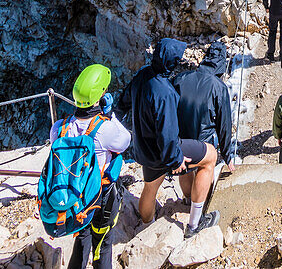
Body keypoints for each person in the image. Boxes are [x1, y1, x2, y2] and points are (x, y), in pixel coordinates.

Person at [116, 39, 219, 238]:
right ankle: (195, 224)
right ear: (171, 62)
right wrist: (176, 160)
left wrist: (123, 121)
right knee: (210, 157)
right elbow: (168, 132)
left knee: (150, 187)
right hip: (164, 152)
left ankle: (147, 227)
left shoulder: (143, 75)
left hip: (144, 148)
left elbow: (124, 103)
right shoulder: (165, 92)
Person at [45, 64, 130, 269]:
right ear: (99, 96)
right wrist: (110, 115)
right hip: (101, 195)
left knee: (81, 237)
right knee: (103, 243)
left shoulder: (60, 128)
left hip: (75, 196)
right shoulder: (105, 129)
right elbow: (125, 140)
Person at [174, 41, 235, 177]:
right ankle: (200, 198)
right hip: (204, 141)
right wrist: (227, 155)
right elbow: (224, 124)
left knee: (186, 168)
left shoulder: (180, 78)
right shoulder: (219, 87)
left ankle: (187, 197)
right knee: (206, 164)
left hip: (180, 139)